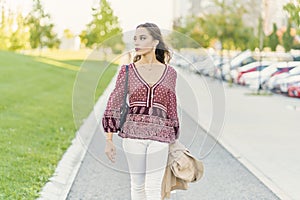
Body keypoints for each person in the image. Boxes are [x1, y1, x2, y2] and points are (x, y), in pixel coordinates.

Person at [102, 22, 180, 200]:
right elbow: (114, 103)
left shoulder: (170, 73)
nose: (137, 42)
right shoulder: (127, 71)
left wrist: (174, 138)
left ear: (155, 43)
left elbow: (171, 107)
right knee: (137, 187)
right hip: (132, 135)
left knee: (153, 188)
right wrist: (109, 140)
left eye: (142, 38)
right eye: (135, 38)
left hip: (160, 135)